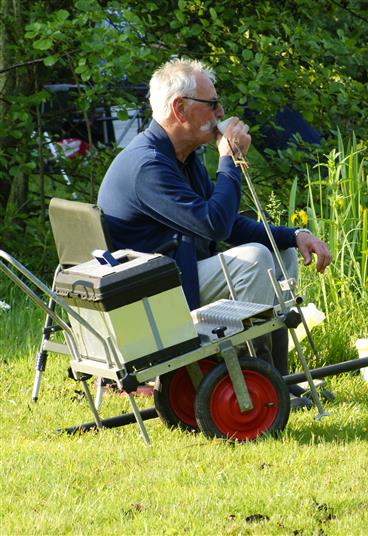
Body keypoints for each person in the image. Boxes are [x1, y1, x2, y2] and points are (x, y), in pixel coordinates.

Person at [97, 57, 331, 408]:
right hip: (153, 299)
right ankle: (258, 386)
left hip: (175, 276)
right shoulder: (148, 166)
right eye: (212, 104)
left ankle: (276, 380)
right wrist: (230, 160)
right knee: (256, 259)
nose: (220, 112)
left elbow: (229, 223)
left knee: (278, 251)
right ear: (180, 109)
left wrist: (294, 236)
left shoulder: (180, 157)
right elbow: (214, 225)